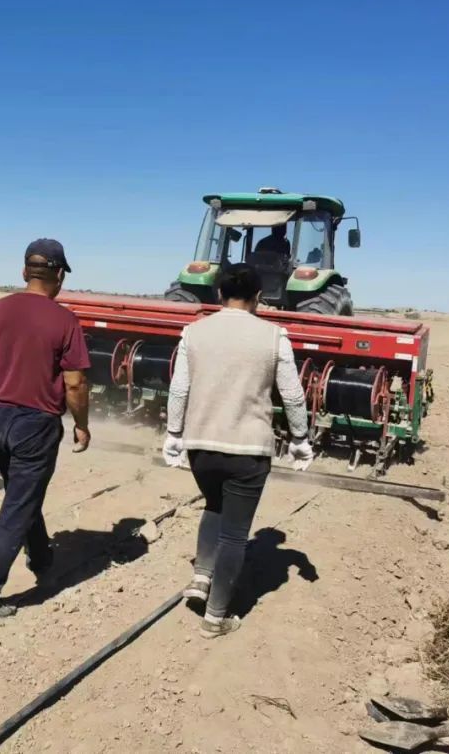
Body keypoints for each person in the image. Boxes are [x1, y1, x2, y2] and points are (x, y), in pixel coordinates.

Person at [162, 262, 314, 639]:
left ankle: (200, 578)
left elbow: (179, 389)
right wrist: (300, 439)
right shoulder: (274, 335)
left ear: (218, 294)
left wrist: (174, 434)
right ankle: (216, 618)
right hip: (248, 450)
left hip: (202, 448)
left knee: (213, 506)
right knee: (235, 533)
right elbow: (292, 394)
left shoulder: (193, 332)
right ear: (259, 297)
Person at [0, 238, 91, 623]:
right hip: (36, 425)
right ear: (60, 275)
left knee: (22, 492)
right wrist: (81, 425)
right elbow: (75, 384)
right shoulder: (64, 320)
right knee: (18, 505)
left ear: (23, 272)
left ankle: (42, 557)